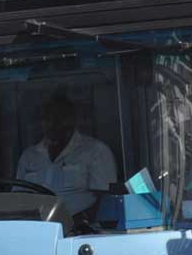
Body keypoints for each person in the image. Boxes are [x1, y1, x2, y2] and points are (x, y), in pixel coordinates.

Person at [15, 91, 117, 230]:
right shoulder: (29, 156)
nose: (53, 124)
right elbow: (18, 198)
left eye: (59, 118)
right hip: (34, 230)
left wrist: (79, 220)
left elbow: (106, 199)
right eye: (47, 118)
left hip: (82, 232)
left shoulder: (96, 151)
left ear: (72, 120)